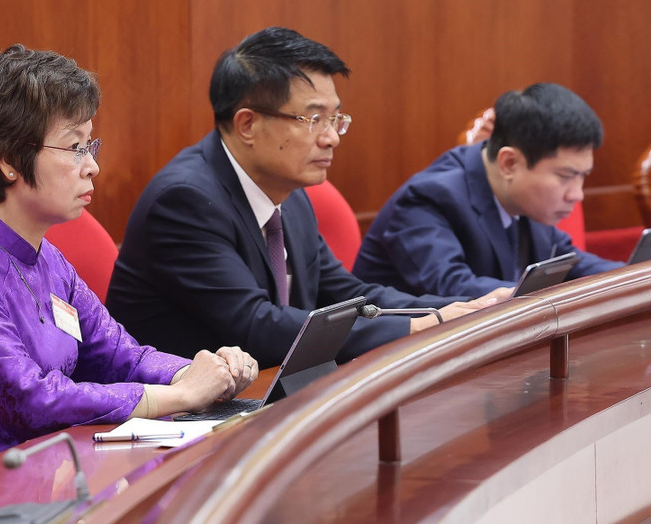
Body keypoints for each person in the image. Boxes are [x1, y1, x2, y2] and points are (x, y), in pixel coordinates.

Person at [0, 45, 258, 478]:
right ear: (9, 162)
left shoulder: (49, 260)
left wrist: (204, 372)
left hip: (33, 473)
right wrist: (181, 396)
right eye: (75, 147)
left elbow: (120, 357)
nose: (92, 166)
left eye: (90, 145)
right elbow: (30, 402)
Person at [105, 27, 504, 369]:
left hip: (263, 402)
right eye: (314, 119)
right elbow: (256, 325)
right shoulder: (184, 202)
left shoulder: (288, 193)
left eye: (335, 119)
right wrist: (421, 326)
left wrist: (457, 308)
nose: (330, 137)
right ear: (248, 124)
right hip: (177, 428)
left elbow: (349, 295)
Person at [352, 83, 624, 298]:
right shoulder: (427, 199)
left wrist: (635, 276)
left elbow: (570, 263)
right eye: (566, 177)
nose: (577, 195)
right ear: (509, 162)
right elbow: (454, 288)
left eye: (582, 177)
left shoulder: (523, 196)